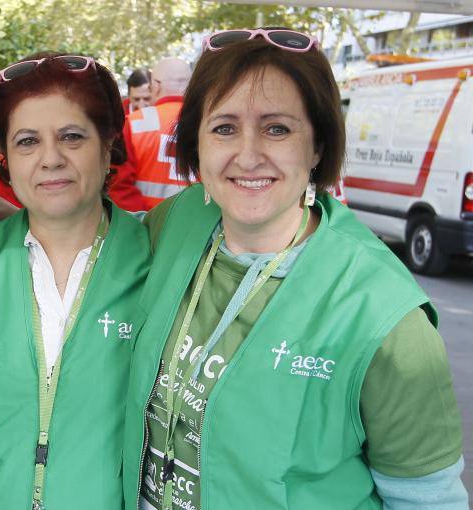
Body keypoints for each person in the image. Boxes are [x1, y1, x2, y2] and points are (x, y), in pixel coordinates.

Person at [123, 29, 468, 509]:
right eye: (223, 128)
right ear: (196, 145)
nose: (247, 155)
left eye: (277, 128)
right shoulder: (177, 223)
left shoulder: (385, 318)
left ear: (319, 146)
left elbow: (429, 500)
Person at [0, 54, 150, 510]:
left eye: (71, 137)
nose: (50, 159)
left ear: (108, 147)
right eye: (27, 142)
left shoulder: (157, 261)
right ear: (3, 157)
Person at [109, 57, 191, 212]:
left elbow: (118, 186)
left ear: (156, 86)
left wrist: (146, 223)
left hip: (145, 225)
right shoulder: (210, 123)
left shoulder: (131, 124)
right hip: (197, 226)